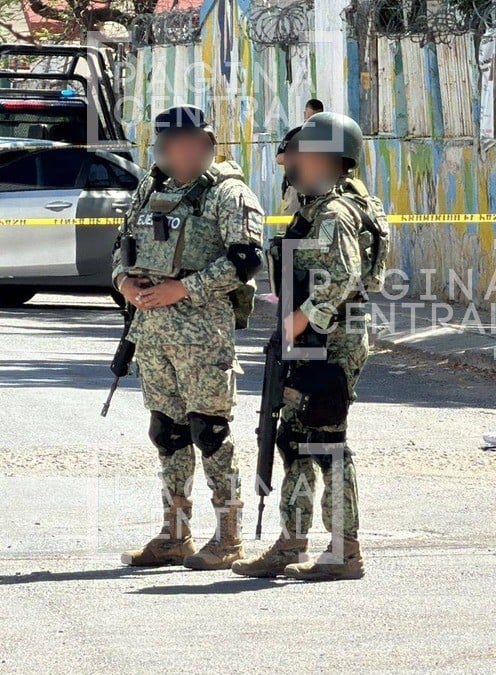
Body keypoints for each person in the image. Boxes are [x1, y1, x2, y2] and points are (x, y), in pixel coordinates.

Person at [233, 111, 387, 582]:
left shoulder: (335, 213)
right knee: (293, 438)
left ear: (323, 158)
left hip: (332, 339)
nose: (288, 164)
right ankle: (292, 541)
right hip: (309, 336)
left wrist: (298, 320)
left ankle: (345, 550)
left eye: (297, 156)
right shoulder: (314, 206)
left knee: (327, 441)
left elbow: (342, 279)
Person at [112, 105, 265, 570]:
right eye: (159, 143)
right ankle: (175, 534)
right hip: (153, 332)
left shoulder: (228, 195)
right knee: (167, 430)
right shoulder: (153, 185)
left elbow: (246, 259)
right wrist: (123, 282)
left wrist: (184, 287)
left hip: (202, 333)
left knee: (210, 431)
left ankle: (229, 537)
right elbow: (123, 243)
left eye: (170, 144)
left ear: (201, 145)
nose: (159, 152)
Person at [275, 126, 302, 216]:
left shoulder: (330, 134)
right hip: (296, 189)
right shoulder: (296, 133)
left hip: (325, 188)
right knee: (291, 224)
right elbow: (280, 158)